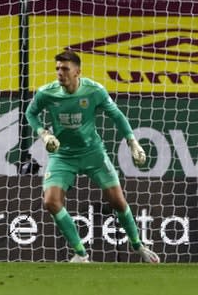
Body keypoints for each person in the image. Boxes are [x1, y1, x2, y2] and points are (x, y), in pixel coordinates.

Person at [25, 50, 160, 263]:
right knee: (50, 201)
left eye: (65, 68)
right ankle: (80, 254)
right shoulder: (46, 93)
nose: (60, 73)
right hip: (63, 156)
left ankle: (138, 246)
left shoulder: (94, 91)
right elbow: (30, 113)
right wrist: (43, 133)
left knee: (117, 200)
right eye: (58, 68)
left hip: (93, 153)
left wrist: (132, 142)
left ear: (78, 71)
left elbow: (117, 115)